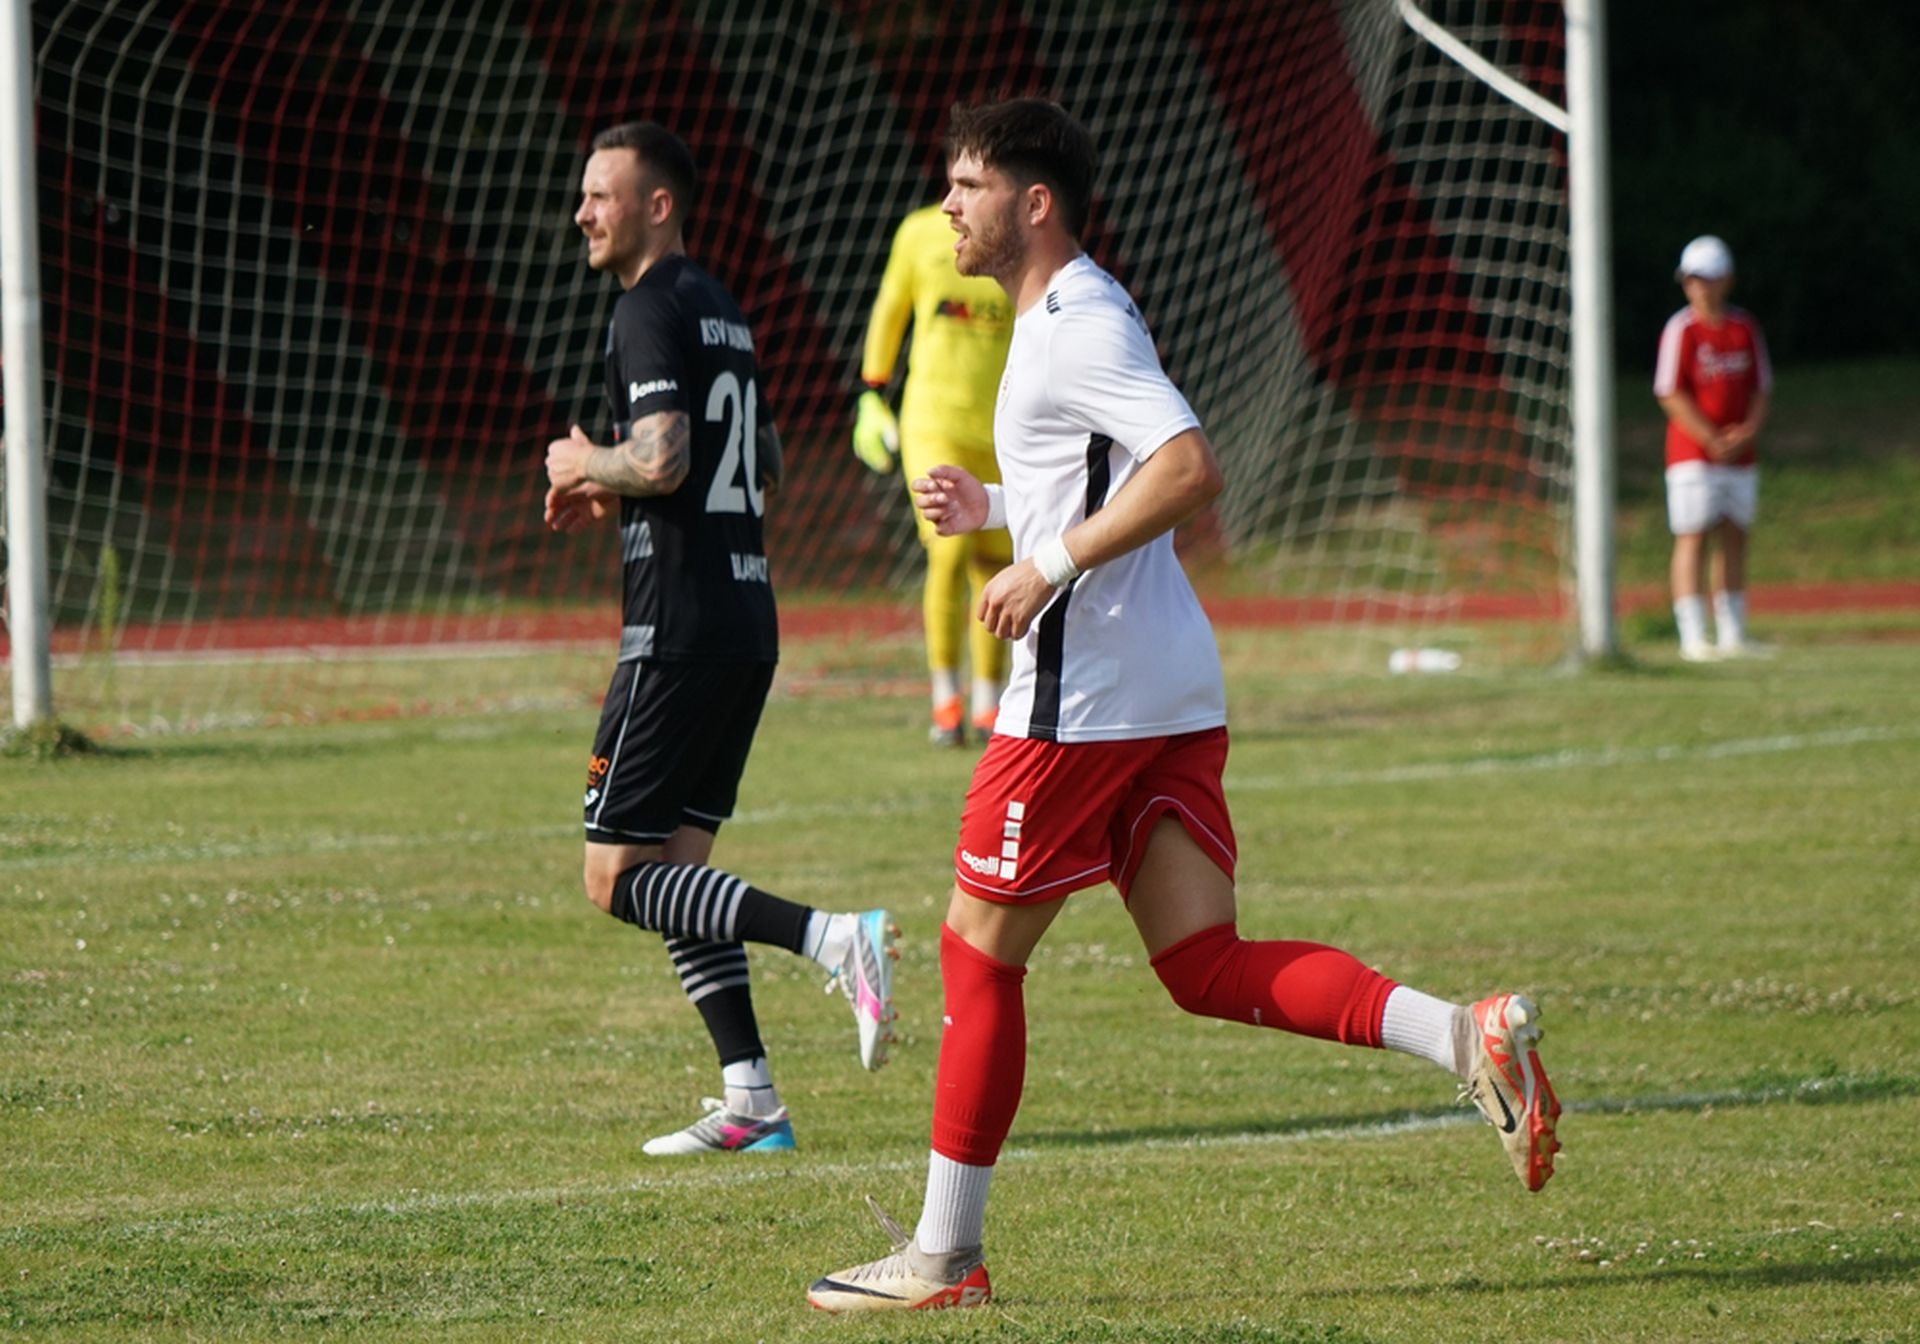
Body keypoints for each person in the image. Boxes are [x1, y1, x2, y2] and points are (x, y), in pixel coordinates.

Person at [807, 98, 1561, 1313]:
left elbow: (1185, 467)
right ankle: (1462, 1036)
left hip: (1084, 697)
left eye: (968, 184)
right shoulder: (1067, 313)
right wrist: (997, 509)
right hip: (1164, 685)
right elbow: (1103, 477)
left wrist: (1045, 566)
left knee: (975, 950)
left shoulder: (1077, 322)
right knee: (1203, 963)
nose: (948, 203)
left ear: (1034, 203)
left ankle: (944, 1258)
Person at [542, 121, 898, 1156]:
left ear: (657, 206)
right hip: (745, 620)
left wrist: (584, 463)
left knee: (615, 876)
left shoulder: (646, 307)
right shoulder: (720, 308)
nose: (582, 213)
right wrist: (622, 488)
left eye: (601, 195)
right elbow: (764, 462)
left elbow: (661, 459)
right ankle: (752, 1101)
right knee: (678, 872)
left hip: (680, 627)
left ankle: (834, 939)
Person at [854, 202, 1016, 745]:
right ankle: (946, 699)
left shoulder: (1017, 235)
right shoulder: (920, 233)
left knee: (995, 563)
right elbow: (890, 309)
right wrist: (872, 393)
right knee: (949, 549)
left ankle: (989, 701)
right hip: (933, 423)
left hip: (1001, 428)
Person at [1654, 234, 1773, 661]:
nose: (1698, 287)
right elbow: (1669, 391)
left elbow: (1761, 388)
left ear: (1726, 280)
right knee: (1692, 537)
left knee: (1734, 535)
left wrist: (1747, 432)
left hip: (1739, 455)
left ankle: (1733, 633)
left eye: (1706, 278)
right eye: (1691, 279)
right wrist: (1710, 437)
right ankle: (1692, 636)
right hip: (1692, 455)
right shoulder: (1681, 329)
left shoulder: (1745, 328)